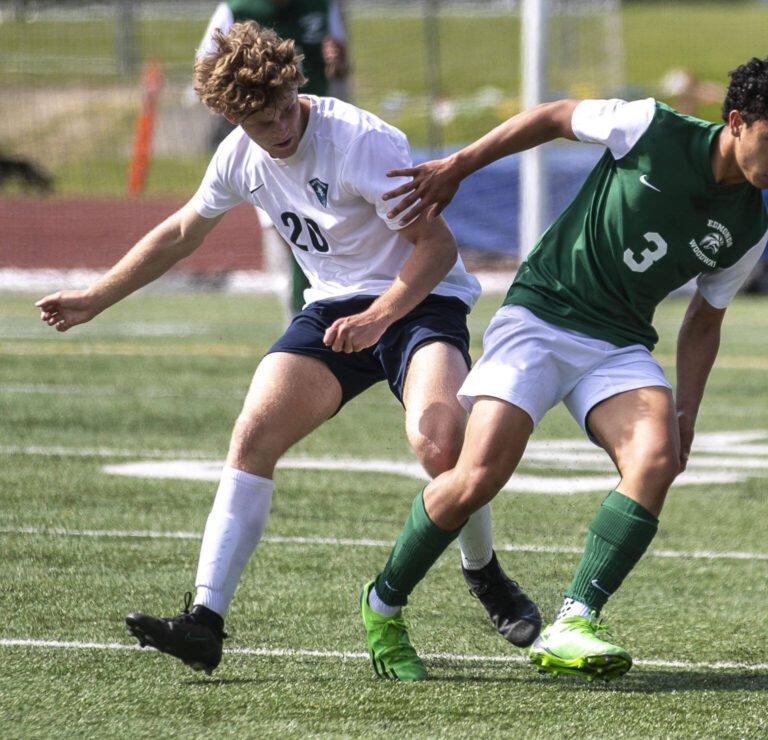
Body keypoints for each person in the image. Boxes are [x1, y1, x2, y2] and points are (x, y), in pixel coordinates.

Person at [35, 21, 540, 676]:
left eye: (281, 109)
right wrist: (93, 298)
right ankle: (205, 621)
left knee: (441, 442)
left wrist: (382, 315)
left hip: (419, 300)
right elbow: (183, 231)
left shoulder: (360, 141)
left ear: (295, 83)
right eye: (257, 120)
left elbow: (438, 248)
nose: (277, 128)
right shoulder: (240, 156)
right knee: (253, 434)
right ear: (228, 116)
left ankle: (485, 574)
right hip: (332, 309)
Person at [357, 48, 768, 681]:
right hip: (540, 318)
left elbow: (705, 318)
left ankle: (574, 620)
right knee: (475, 476)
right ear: (735, 122)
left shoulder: (749, 225)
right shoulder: (651, 127)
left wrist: (688, 407)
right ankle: (384, 604)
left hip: (617, 346)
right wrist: (459, 165)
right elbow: (555, 116)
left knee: (658, 456)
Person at [199, 0, 352, 321]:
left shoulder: (323, 6)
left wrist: (337, 61)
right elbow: (205, 72)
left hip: (318, 144)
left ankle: (328, 316)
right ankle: (300, 322)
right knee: (290, 238)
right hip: (267, 150)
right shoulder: (235, 9)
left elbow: (341, 64)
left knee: (328, 236)